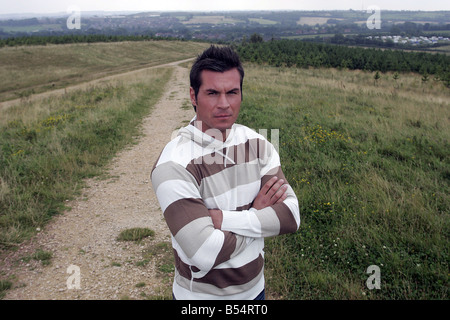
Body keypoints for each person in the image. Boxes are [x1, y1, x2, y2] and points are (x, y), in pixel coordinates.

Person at [151, 45, 300, 300]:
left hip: (256, 291)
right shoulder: (173, 164)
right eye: (212, 93)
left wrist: (223, 220)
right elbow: (204, 253)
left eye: (232, 92)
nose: (224, 104)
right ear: (193, 95)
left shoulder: (258, 144)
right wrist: (257, 215)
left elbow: (290, 216)